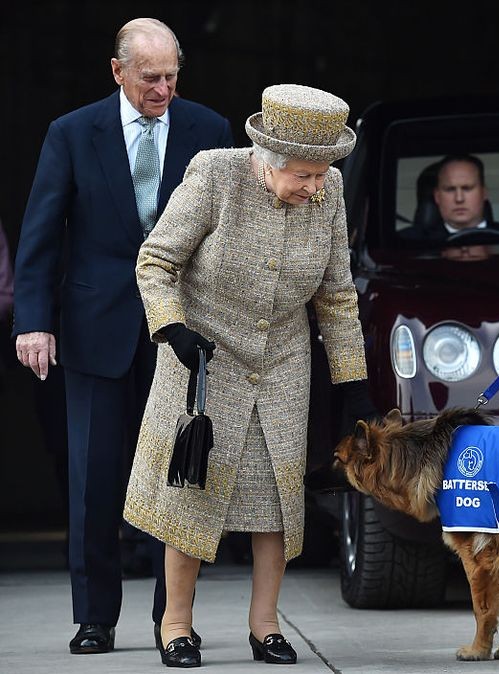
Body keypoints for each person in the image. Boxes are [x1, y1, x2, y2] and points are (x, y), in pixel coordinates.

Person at [123, 83, 375, 668]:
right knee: (191, 495)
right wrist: (172, 329)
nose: (315, 187)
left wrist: (351, 379)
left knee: (277, 501)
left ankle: (265, 627)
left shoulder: (329, 189)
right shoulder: (216, 175)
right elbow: (156, 261)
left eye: (322, 174)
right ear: (267, 162)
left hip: (282, 363)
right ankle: (176, 624)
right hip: (203, 358)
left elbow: (336, 294)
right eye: (304, 176)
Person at [11, 18, 233, 655]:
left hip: (181, 330)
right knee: (94, 477)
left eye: (171, 76)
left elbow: (221, 237)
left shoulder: (208, 130)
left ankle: (174, 619)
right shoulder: (73, 133)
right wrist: (33, 321)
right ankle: (95, 617)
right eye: (150, 78)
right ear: (118, 72)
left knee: (179, 478)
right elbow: (41, 234)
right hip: (95, 324)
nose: (163, 89)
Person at [404, 154, 499, 243]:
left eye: (467, 188)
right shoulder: (410, 242)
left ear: (484, 193)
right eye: (450, 189)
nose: (459, 198)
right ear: (437, 197)